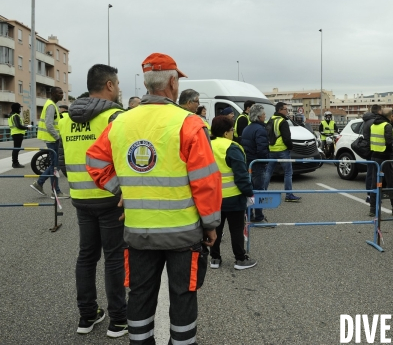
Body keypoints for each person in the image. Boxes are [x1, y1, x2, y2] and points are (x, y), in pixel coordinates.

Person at [86, 52, 222, 345]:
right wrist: (211, 225)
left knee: (140, 294)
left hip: (138, 232)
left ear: (147, 84)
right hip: (183, 234)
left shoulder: (121, 122)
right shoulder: (189, 124)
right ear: (172, 82)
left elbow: (95, 162)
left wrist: (121, 190)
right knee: (183, 295)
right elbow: (206, 181)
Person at [57, 64, 127, 337]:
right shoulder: (115, 117)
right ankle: (118, 319)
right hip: (110, 197)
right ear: (109, 85)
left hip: (80, 198)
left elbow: (62, 161)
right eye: (118, 83)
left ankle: (87, 316)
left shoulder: (65, 119)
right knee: (113, 258)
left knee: (86, 256)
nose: (119, 88)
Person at [209, 116, 257, 270]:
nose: (233, 133)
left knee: (216, 229)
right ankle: (240, 259)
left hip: (212, 198)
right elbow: (241, 175)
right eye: (231, 130)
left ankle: (215, 258)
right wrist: (249, 193)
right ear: (225, 133)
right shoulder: (232, 147)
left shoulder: (207, 146)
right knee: (236, 230)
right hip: (233, 198)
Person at [31, 86, 68, 198]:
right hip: (52, 140)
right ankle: (56, 191)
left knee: (54, 165)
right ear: (52, 94)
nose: (62, 94)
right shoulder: (51, 105)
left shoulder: (52, 105)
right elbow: (49, 124)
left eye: (62, 93)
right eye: (59, 93)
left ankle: (40, 183)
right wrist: (58, 137)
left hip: (51, 139)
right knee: (55, 166)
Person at [264, 102, 301, 202]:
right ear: (280, 110)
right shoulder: (282, 121)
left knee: (268, 172)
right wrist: (290, 147)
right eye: (286, 109)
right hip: (282, 150)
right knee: (288, 172)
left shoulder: (270, 120)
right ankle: (289, 195)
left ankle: (262, 193)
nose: (287, 111)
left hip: (271, 150)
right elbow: (287, 138)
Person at [240, 104, 271, 224]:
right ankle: (259, 216)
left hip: (248, 162)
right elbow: (262, 149)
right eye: (263, 114)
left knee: (250, 190)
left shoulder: (247, 128)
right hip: (258, 164)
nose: (265, 116)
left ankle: (249, 214)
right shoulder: (260, 130)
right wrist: (266, 160)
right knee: (259, 190)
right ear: (259, 116)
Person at [368, 107, 393, 216]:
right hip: (386, 157)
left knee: (375, 183)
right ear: (390, 116)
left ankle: (372, 209)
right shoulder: (387, 126)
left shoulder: (373, 125)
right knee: (392, 183)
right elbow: (390, 143)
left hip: (374, 157)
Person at [362, 104, 382, 203]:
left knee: (370, 173)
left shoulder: (367, 121)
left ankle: (370, 195)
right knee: (373, 173)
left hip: (368, 149)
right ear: (379, 111)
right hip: (374, 150)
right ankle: (371, 196)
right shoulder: (374, 122)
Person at [8, 102, 30, 168]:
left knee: (16, 148)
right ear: (17, 108)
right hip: (17, 133)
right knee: (16, 149)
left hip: (14, 133)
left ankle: (15, 162)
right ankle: (15, 163)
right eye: (19, 108)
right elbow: (18, 126)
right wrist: (26, 127)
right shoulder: (15, 115)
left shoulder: (11, 115)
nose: (20, 109)